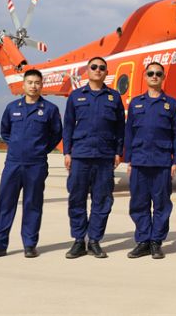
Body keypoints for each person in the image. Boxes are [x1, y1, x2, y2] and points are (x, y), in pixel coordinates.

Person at [0, 69, 62, 259]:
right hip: (13, 163)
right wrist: (17, 147)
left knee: (33, 204)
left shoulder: (50, 109)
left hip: (36, 164)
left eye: (37, 83)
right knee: (5, 203)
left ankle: (30, 244)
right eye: (30, 82)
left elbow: (56, 134)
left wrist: (41, 149)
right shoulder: (12, 108)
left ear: (42, 85)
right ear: (23, 85)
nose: (33, 86)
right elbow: (5, 131)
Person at [63, 56, 125, 259]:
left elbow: (120, 128)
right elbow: (68, 126)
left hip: (104, 156)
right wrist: (67, 152)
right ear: (88, 71)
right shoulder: (76, 96)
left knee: (103, 200)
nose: (98, 70)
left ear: (106, 72)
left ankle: (95, 240)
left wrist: (118, 152)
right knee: (76, 198)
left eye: (102, 67)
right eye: (94, 67)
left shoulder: (114, 97)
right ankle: (79, 240)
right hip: (80, 155)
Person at [124, 62, 176, 260]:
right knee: (138, 203)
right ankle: (143, 241)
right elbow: (129, 133)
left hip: (162, 161)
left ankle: (156, 242)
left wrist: (175, 160)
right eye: (151, 73)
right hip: (139, 161)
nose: (154, 76)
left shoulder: (171, 104)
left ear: (163, 77)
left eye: (158, 73)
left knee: (162, 204)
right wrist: (128, 160)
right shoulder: (136, 103)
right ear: (145, 76)